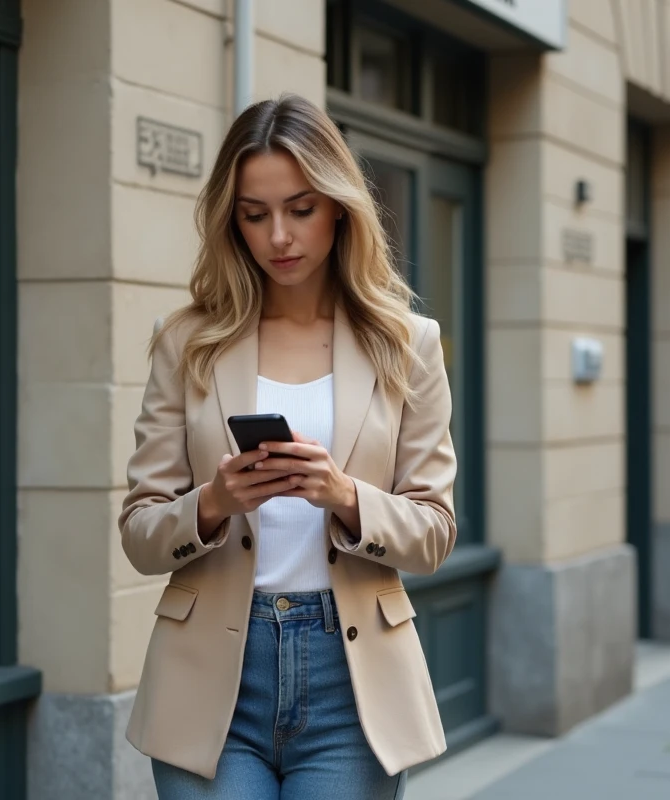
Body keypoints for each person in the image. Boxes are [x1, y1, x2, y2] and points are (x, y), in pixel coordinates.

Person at [117, 93, 457, 799]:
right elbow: (141, 535)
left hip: (350, 684)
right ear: (231, 220)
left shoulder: (406, 344)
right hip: (212, 678)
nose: (279, 236)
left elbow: (433, 534)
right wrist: (211, 505)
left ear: (339, 207)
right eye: (254, 213)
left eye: (301, 209)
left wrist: (344, 495)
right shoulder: (187, 342)